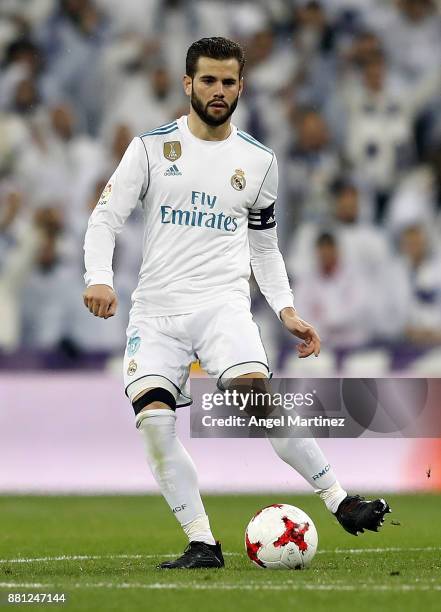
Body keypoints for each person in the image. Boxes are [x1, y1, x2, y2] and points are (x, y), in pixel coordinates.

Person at [83, 37, 390, 570]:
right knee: (155, 425)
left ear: (241, 87)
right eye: (208, 80)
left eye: (228, 82)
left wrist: (286, 309)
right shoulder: (152, 148)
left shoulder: (259, 161)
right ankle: (203, 543)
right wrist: (99, 278)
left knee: (258, 400)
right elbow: (105, 218)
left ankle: (340, 500)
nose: (218, 91)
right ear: (188, 84)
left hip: (223, 306)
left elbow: (265, 247)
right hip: (155, 312)